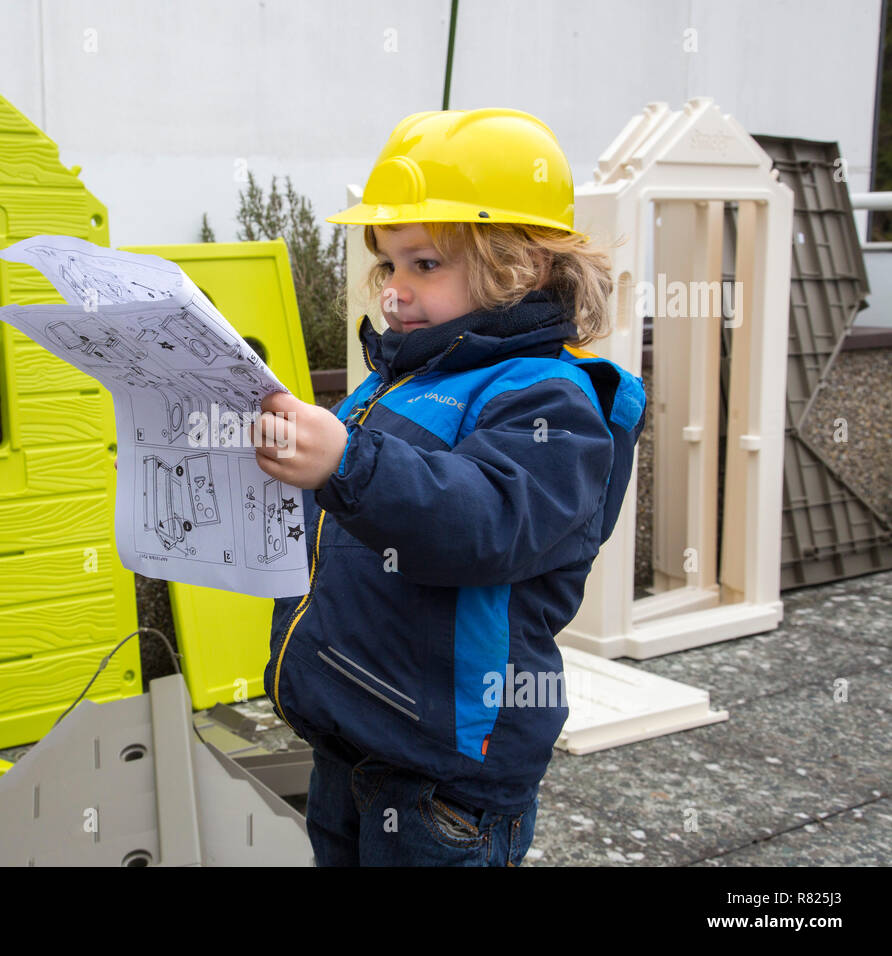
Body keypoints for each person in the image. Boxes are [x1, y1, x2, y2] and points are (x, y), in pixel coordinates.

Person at [250, 108, 646, 866]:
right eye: (389, 264)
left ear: (518, 267)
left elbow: (483, 523)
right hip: (351, 738)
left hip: (444, 782)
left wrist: (344, 462)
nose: (395, 290)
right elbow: (346, 522)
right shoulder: (399, 379)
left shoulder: (550, 399)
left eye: (423, 264)